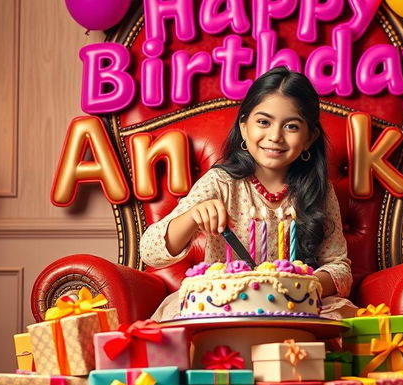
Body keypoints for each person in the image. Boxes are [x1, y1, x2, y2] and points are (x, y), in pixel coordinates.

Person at [140, 65, 357, 321]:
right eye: (263, 122)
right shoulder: (221, 183)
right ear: (244, 127)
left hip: (294, 309)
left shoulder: (317, 191)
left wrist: (299, 287)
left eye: (291, 126)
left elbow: (339, 266)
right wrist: (191, 217)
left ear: (310, 138)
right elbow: (150, 252)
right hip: (222, 308)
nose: (275, 136)